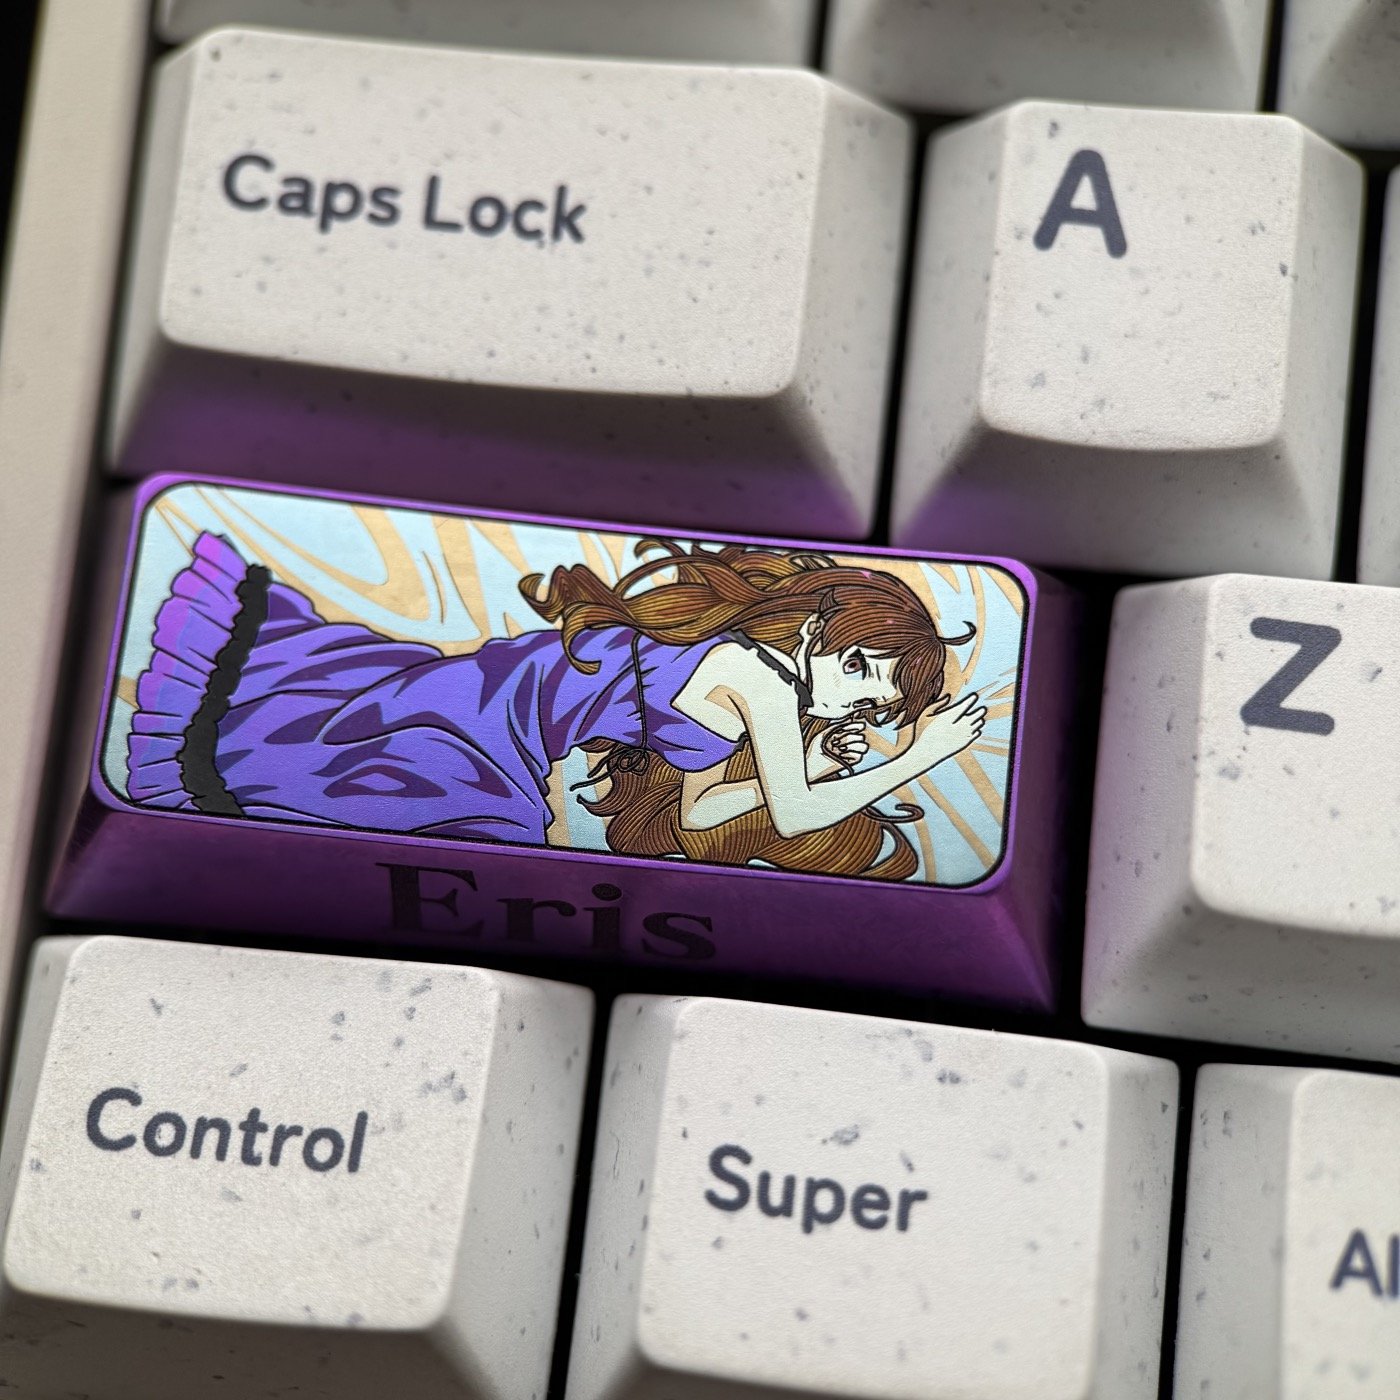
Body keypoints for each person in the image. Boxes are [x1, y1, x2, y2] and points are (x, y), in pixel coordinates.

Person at [126, 530, 986, 881]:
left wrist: (795, 771)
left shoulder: (758, 683)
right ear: (820, 625)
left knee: (364, 749)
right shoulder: (757, 674)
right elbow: (797, 817)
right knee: (463, 830)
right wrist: (921, 756)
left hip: (501, 700)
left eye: (878, 701)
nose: (860, 702)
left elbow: (701, 810)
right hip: (489, 723)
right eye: (865, 669)